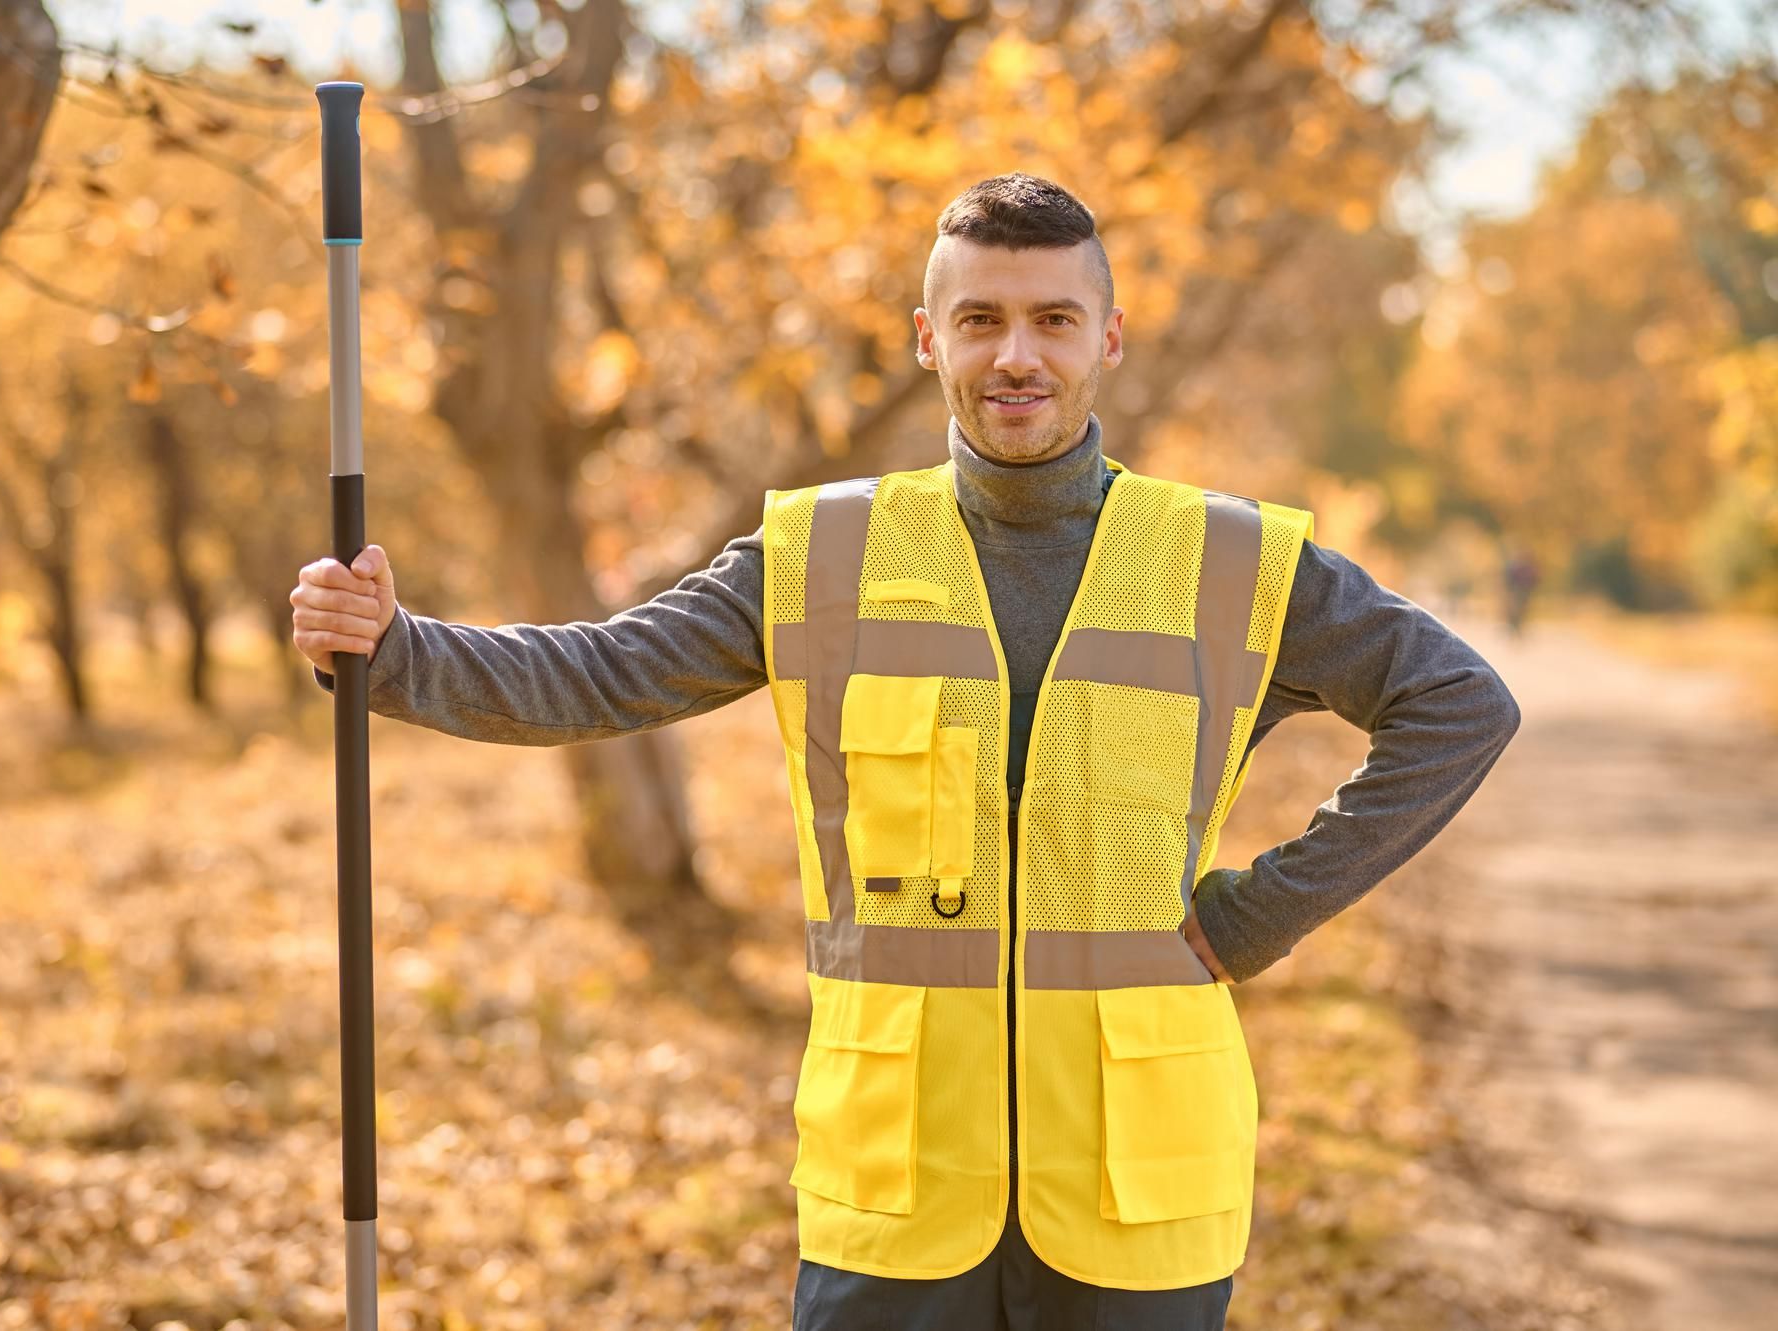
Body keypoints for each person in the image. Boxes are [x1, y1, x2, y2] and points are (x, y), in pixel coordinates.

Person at [291, 174, 1522, 1331]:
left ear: (1110, 336)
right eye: (979, 318)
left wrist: (1261, 912)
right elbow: (602, 671)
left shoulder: (1233, 560)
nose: (1017, 354)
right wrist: (397, 649)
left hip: (1138, 1185)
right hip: (895, 1189)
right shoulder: (818, 555)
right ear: (927, 339)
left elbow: (1458, 703)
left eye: (1053, 317)